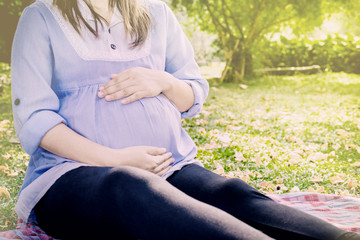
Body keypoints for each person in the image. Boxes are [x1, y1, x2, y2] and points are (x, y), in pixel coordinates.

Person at [10, 0, 360, 239]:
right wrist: (117, 159)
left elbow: (193, 92)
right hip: (69, 176)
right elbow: (34, 116)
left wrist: (163, 81)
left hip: (170, 165)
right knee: (132, 186)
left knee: (229, 193)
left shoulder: (156, 12)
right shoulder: (41, 16)